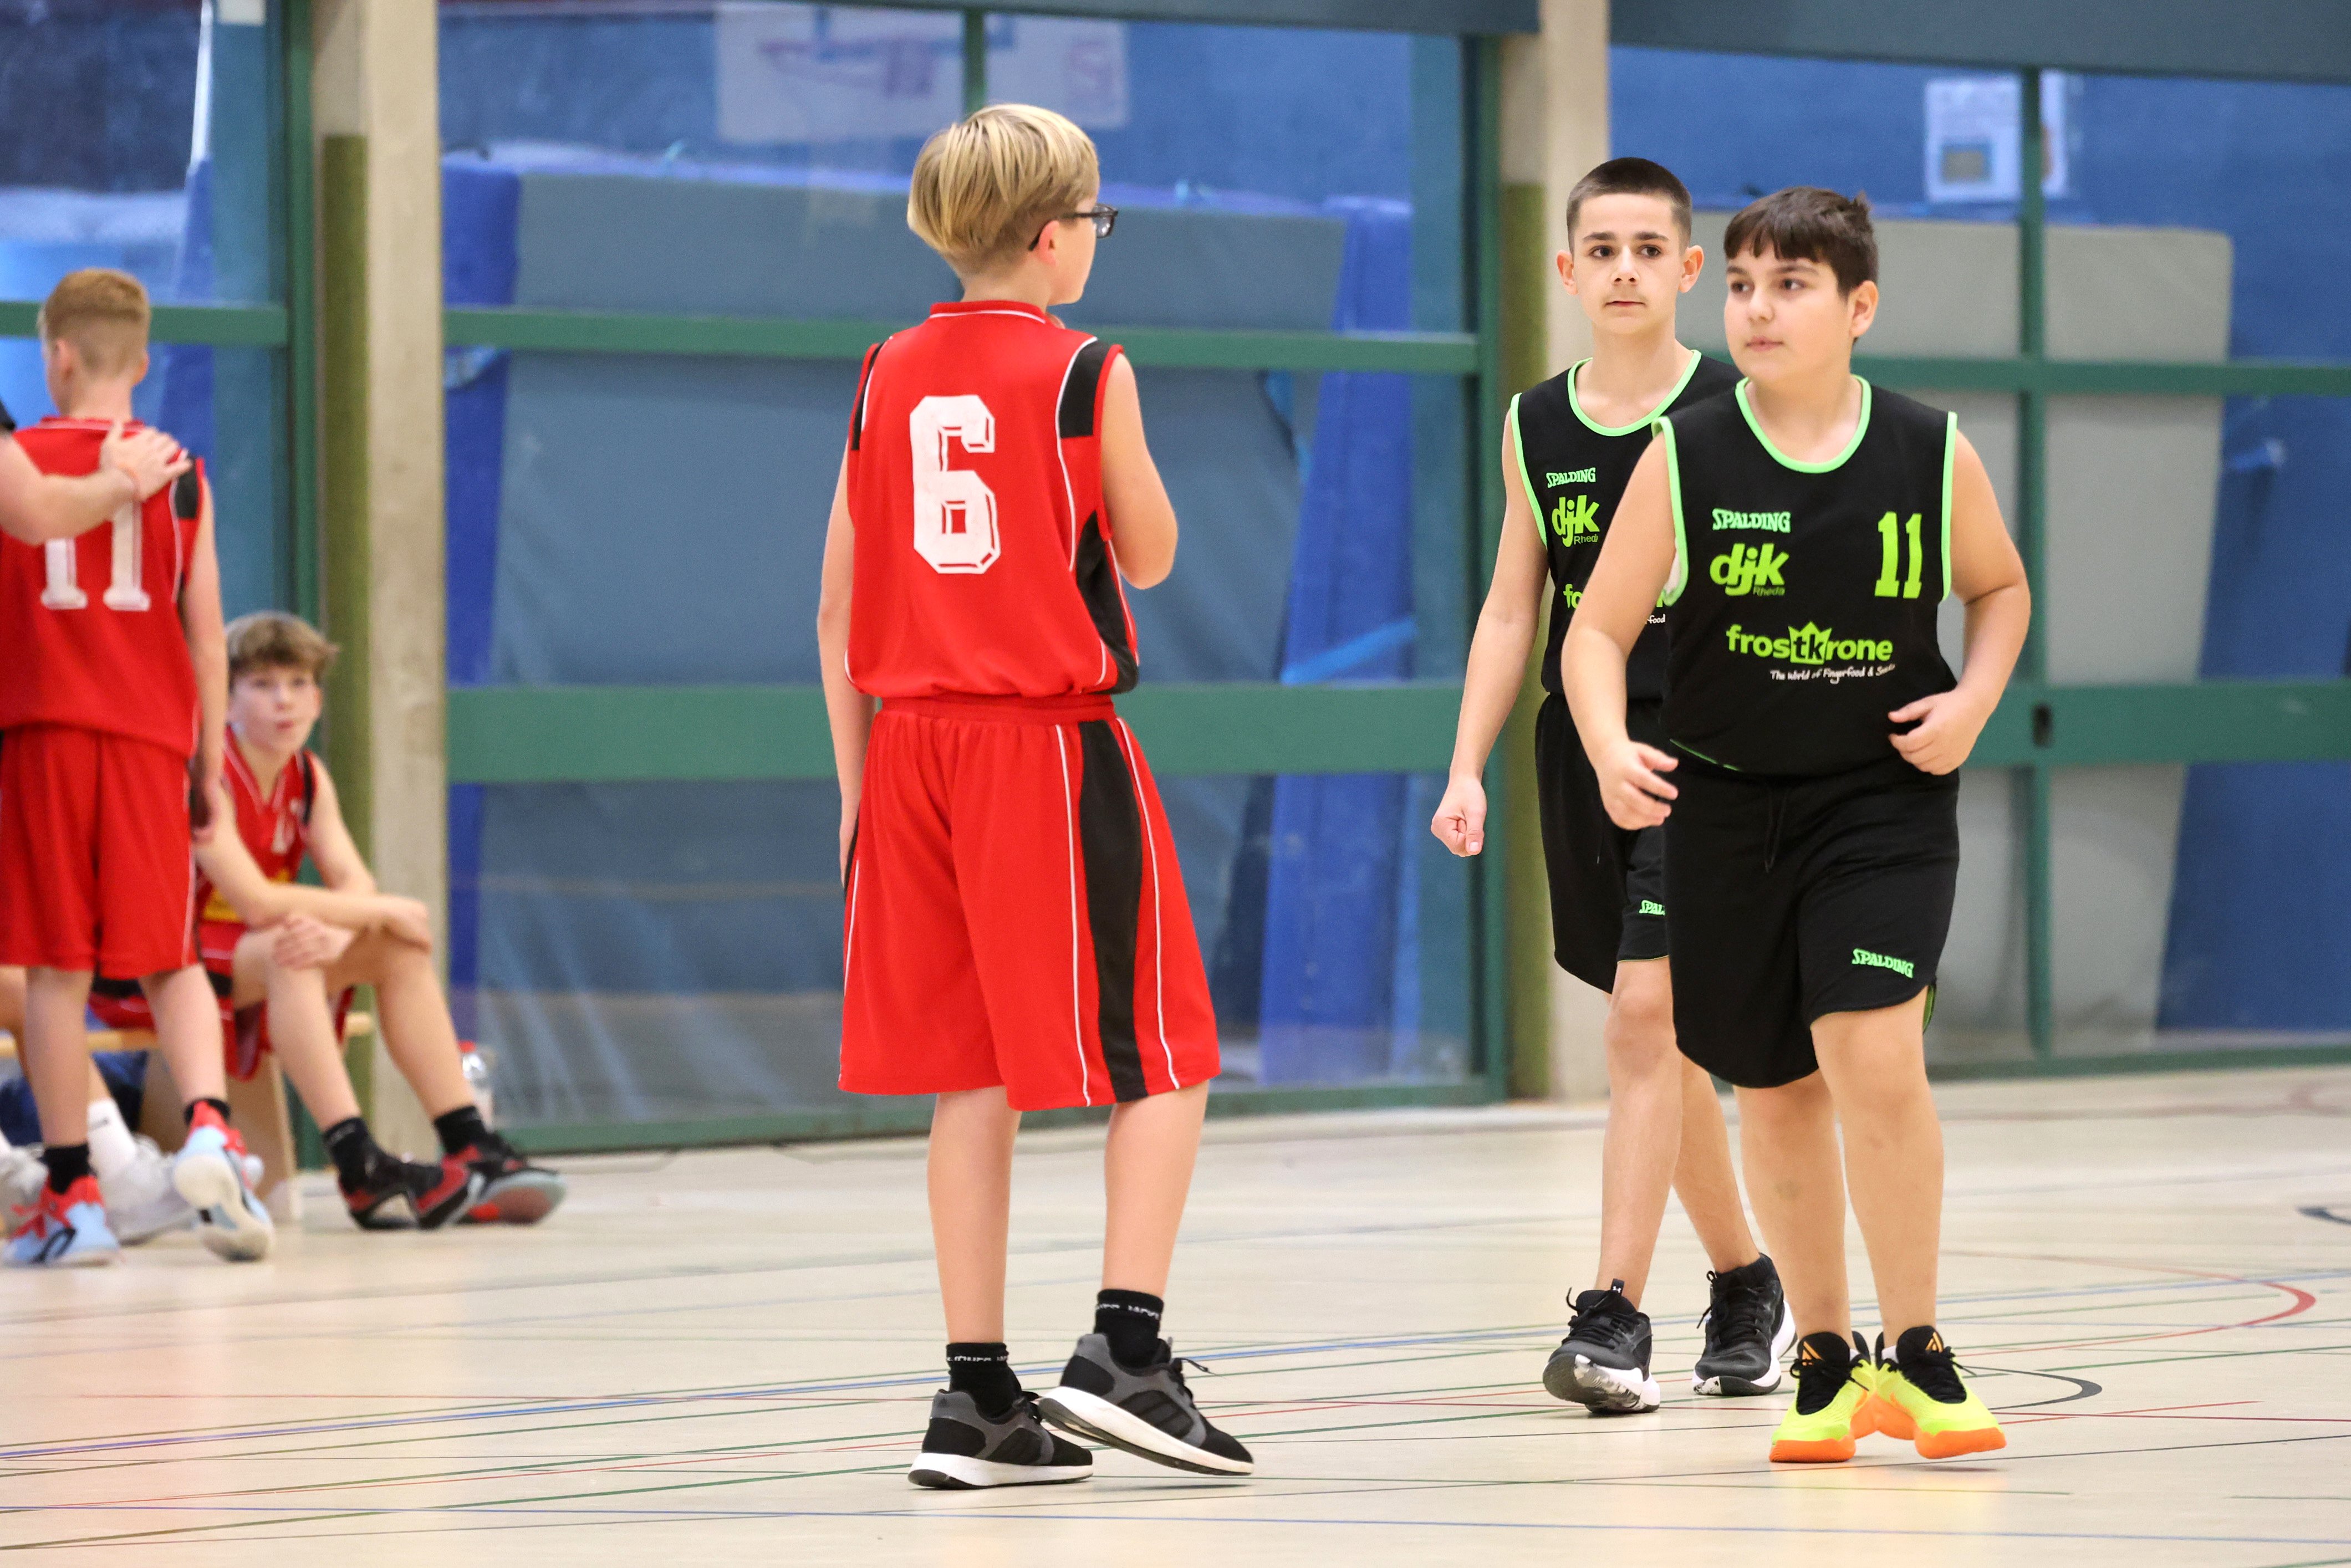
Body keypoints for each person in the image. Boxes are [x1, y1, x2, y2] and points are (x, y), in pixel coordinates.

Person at [818, 104, 1250, 1490]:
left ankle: (976, 1395)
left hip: (904, 754)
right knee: (1167, 1050)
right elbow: (1154, 552)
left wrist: (855, 799)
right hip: (1043, 744)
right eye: (1095, 218)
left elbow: (833, 610)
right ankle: (1125, 1347)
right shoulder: (1085, 367)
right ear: (1055, 234)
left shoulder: (883, 370)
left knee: (974, 1075)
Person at [1563, 187, 2030, 1463]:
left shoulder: (1927, 449)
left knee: (1869, 1051)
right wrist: (1605, 744)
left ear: (1857, 306)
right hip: (1722, 811)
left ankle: (1918, 1349)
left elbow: (1996, 588)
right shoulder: (1684, 456)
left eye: (1789, 285)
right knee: (1769, 1085)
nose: (1756, 310)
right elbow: (1593, 632)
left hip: (1878, 802)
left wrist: (1972, 701)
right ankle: (1824, 1357)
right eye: (1740, 286)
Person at [1432, 157, 1792, 1414]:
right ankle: (1745, 1280)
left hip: (1708, 752)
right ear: (1566, 269)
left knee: (1644, 1016)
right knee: (1659, 1036)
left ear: (1688, 269)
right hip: (1584, 747)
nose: (1625, 270)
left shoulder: (1736, 404)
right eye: (1602, 250)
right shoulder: (1533, 423)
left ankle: (1610, 1316)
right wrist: (1465, 764)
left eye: (1649, 250)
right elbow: (1508, 607)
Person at [90, 611, 565, 1230]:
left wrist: (348, 929)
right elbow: (257, 900)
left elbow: (353, 881)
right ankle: (354, 1156)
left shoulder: (309, 776)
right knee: (298, 949)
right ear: (225, 698)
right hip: (154, 964)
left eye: (298, 683)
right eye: (262, 684)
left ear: (318, 698)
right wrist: (386, 908)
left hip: (245, 953)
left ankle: (468, 1139)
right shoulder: (206, 774)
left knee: (397, 949)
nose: (284, 701)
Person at [0, 268, 272, 1267]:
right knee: (172, 958)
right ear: (144, 360)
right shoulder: (183, 473)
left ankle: (73, 1192)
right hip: (153, 738)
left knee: (55, 975)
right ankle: (209, 1128)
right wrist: (207, 766)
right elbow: (207, 636)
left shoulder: (20, 462)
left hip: (43, 736)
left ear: (57, 356)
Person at [0, 389, 189, 546]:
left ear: (63, 360)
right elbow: (34, 511)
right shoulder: (175, 464)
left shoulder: (23, 450)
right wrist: (127, 478)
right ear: (143, 368)